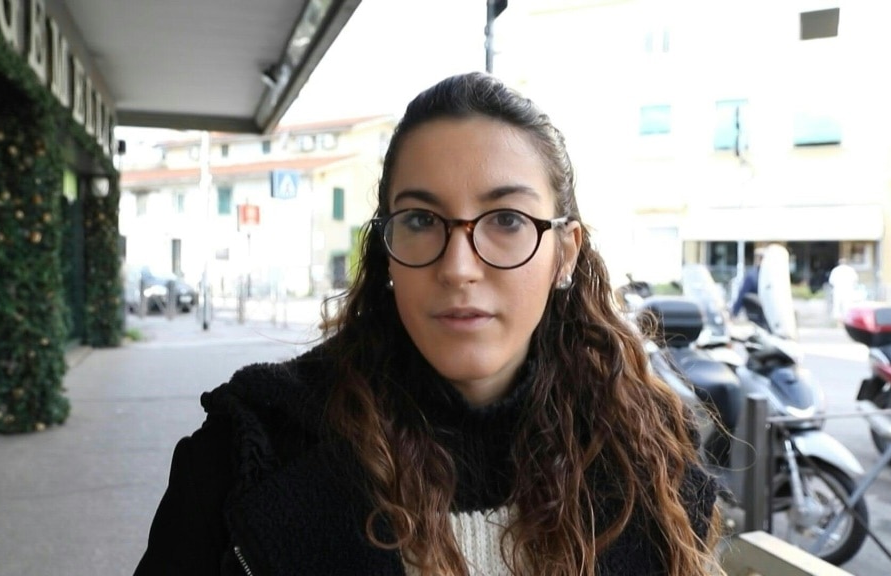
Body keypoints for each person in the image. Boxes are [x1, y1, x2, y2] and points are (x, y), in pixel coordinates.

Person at [134, 72, 721, 576]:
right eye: (420, 219)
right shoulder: (247, 450)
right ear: (386, 248)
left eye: (508, 220)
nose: (458, 267)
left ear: (565, 252)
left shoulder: (650, 464)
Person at [730, 249, 762, 320]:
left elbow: (742, 294)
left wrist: (734, 312)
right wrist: (735, 312)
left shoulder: (753, 275)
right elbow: (743, 294)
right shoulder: (753, 275)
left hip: (760, 314)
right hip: (758, 313)